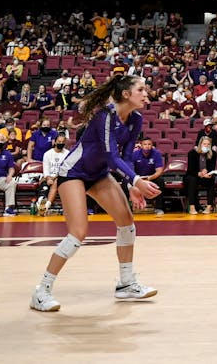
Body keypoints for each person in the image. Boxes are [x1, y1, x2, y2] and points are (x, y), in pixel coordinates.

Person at [30, 74, 160, 312]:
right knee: (78, 233)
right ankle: (41, 292)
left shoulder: (136, 119)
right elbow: (112, 156)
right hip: (73, 173)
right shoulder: (105, 116)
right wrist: (137, 179)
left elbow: (127, 155)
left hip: (98, 174)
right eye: (141, 89)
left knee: (127, 223)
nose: (146, 94)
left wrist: (132, 186)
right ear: (126, 94)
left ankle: (126, 283)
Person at [130, 137, 167, 215]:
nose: (147, 146)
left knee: (160, 180)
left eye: (149, 144)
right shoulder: (135, 154)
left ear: (152, 145)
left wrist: (149, 178)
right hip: (137, 178)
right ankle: (128, 208)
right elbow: (130, 169)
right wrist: (137, 179)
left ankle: (159, 208)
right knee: (125, 182)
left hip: (151, 178)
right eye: (145, 144)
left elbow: (159, 171)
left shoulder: (156, 153)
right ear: (141, 145)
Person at [36, 132, 71, 215]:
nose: (61, 143)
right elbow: (46, 169)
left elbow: (65, 169)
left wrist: (53, 178)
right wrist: (48, 178)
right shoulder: (47, 154)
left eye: (63, 142)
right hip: (48, 177)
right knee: (43, 184)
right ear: (55, 142)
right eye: (59, 141)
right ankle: (41, 201)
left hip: (61, 177)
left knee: (55, 182)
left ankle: (46, 206)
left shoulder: (67, 154)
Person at [185, 134, 217, 214]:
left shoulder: (213, 154)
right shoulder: (192, 153)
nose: (206, 146)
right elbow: (190, 170)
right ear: (200, 144)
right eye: (204, 144)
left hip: (205, 177)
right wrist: (199, 173)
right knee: (192, 180)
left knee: (211, 180)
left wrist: (208, 173)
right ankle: (192, 207)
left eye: (208, 144)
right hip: (193, 175)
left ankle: (209, 207)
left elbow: (211, 168)